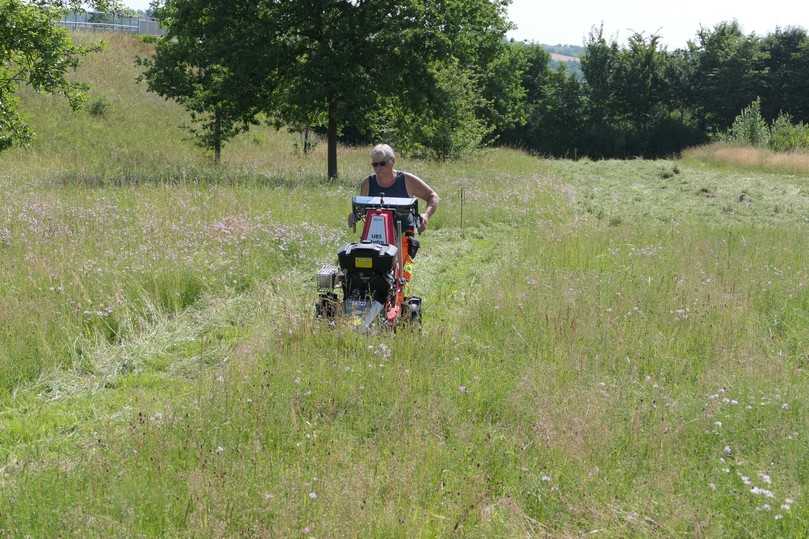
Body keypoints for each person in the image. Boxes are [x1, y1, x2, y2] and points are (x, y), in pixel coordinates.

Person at [348, 144, 439, 233]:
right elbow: (362, 210)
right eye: (375, 164)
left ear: (393, 161)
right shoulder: (368, 183)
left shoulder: (407, 180)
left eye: (382, 164)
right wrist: (354, 216)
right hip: (376, 236)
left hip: (405, 234)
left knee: (407, 242)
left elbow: (432, 196)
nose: (378, 168)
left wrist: (426, 215)